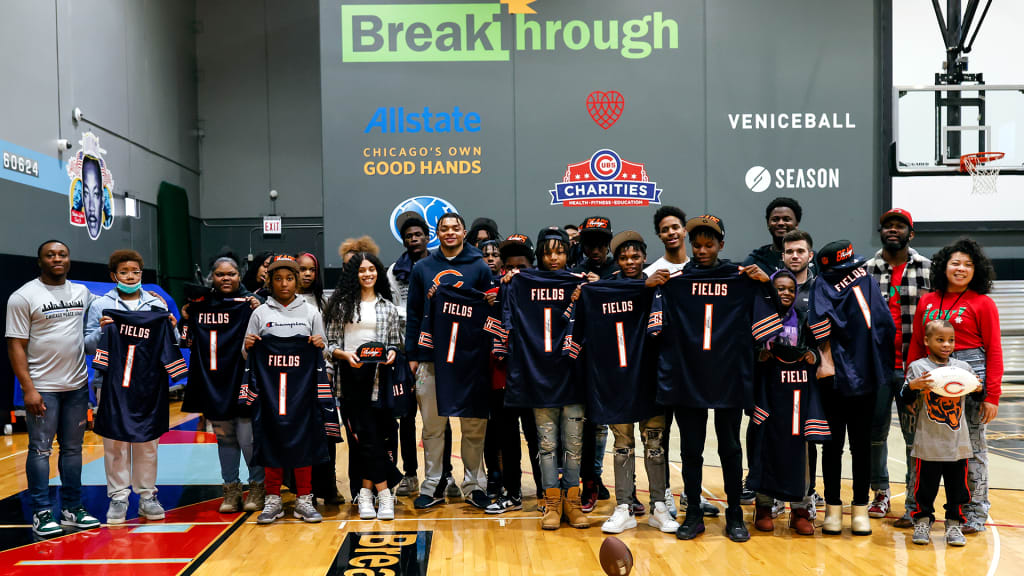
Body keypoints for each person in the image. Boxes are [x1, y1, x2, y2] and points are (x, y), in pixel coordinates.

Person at [653, 215, 774, 543]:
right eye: (697, 244)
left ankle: (735, 511)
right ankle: (693, 512)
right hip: (688, 376)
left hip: (729, 376)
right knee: (691, 450)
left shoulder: (741, 278)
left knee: (731, 448)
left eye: (709, 244)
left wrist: (766, 283)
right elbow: (653, 324)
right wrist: (650, 287)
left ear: (721, 244)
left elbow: (776, 312)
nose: (702, 249)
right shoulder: (675, 280)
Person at [578, 231, 678, 535]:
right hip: (616, 377)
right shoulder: (604, 288)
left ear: (644, 257)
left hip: (649, 376)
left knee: (655, 443)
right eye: (623, 257)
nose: (630, 261)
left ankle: (659, 506)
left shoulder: (659, 285)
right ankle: (624, 507)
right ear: (616, 261)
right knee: (622, 444)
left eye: (635, 256)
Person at [907, 237, 1002, 534]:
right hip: (931, 375)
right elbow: (915, 345)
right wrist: (911, 385)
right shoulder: (928, 300)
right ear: (944, 267)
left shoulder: (982, 303)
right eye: (955, 263)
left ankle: (973, 512)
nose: (961, 269)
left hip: (970, 373)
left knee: (971, 448)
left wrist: (992, 395)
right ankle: (916, 510)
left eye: (968, 265)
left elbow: (995, 349)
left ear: (977, 270)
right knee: (921, 445)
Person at [6, 240, 101, 537]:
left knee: (73, 450)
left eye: (62, 254)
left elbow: (109, 303)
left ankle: (72, 508)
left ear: (69, 259)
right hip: (43, 388)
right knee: (40, 450)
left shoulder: (81, 292)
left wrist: (146, 295)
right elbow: (15, 346)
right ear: (40, 261)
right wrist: (28, 389)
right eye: (50, 255)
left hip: (75, 387)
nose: (57, 259)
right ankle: (41, 512)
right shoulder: (23, 297)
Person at [501, 227, 589, 530]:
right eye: (548, 251)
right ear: (539, 254)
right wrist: (509, 284)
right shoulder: (521, 282)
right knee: (547, 446)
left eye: (560, 251)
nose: (554, 257)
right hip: (539, 377)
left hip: (574, 377)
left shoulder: (581, 283)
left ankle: (573, 502)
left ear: (568, 253)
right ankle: (551, 502)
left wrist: (595, 284)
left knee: (574, 446)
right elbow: (506, 316)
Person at [404, 213, 494, 509]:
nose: (450, 233)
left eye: (456, 228)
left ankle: (473, 483)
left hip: (469, 359)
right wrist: (413, 355)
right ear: (437, 233)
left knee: (473, 425)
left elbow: (489, 309)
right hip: (432, 358)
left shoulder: (479, 266)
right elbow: (414, 315)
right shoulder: (423, 268)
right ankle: (433, 485)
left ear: (464, 232)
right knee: (432, 426)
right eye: (445, 229)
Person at [84, 250, 178, 525]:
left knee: (148, 442)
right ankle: (118, 496)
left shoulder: (156, 306)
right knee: (115, 442)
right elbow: (87, 344)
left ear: (141, 274)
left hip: (148, 383)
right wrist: (103, 331)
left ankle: (147, 496)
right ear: (114, 276)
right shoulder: (101, 305)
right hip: (110, 382)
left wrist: (170, 326)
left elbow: (172, 342)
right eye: (124, 272)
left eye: (135, 272)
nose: (130, 276)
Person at [809, 241, 894, 537]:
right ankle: (832, 507)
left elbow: (883, 324)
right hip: (832, 379)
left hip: (865, 380)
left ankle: (859, 508)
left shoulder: (867, 280)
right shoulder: (820, 284)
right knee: (831, 447)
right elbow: (818, 325)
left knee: (861, 446)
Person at [243, 256, 328, 524]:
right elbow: (247, 356)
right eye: (278, 279)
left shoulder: (311, 313)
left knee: (304, 440)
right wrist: (248, 345)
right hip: (270, 394)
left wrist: (319, 344)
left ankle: (304, 498)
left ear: (296, 281)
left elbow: (323, 354)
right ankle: (273, 500)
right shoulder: (260, 313)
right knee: (270, 440)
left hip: (302, 392)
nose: (283, 284)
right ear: (269, 281)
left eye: (289, 278)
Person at [180, 257, 265, 514]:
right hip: (213, 382)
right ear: (212, 277)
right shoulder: (199, 304)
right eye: (219, 274)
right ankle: (231, 489)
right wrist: (185, 318)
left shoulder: (251, 305)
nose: (225, 278)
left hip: (243, 379)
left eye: (231, 274)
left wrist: (257, 306)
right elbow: (185, 343)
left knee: (248, 438)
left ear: (239, 276)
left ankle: (258, 487)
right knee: (225, 438)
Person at [324, 253, 404, 520]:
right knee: (363, 438)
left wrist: (392, 352)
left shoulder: (388, 307)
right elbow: (329, 345)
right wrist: (345, 355)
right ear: (353, 274)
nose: (367, 274)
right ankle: (384, 492)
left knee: (370, 438)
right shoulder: (340, 306)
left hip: (379, 379)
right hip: (349, 377)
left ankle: (367, 495)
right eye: (362, 270)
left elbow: (394, 342)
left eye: (372, 269)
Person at [864, 208, 931, 525]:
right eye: (887, 226)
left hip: (913, 371)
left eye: (899, 226)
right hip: (875, 369)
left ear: (910, 234)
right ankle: (880, 493)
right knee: (874, 435)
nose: (893, 230)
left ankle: (914, 500)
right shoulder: (865, 271)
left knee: (913, 438)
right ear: (881, 232)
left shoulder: (928, 270)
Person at [387, 212, 459, 500]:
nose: (414, 239)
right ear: (403, 240)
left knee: (442, 414)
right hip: (407, 351)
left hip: (437, 349)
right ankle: (410, 474)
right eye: (408, 236)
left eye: (418, 235)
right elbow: (396, 311)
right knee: (406, 416)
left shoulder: (437, 265)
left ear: (427, 237)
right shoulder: (394, 271)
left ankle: (447, 473)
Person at [749, 270, 824, 536]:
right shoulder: (760, 317)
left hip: (797, 395)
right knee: (764, 449)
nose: (786, 293)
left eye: (791, 289)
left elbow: (817, 348)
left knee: (800, 452)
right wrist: (760, 356)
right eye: (780, 288)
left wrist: (812, 356)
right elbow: (748, 349)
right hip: (769, 394)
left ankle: (801, 509)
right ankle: (765, 506)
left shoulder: (804, 319)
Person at [899, 319, 975, 547]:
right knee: (925, 488)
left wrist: (980, 388)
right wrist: (913, 387)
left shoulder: (962, 369)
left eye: (950, 340)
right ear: (926, 341)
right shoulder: (918, 367)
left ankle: (954, 523)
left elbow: (978, 394)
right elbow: (904, 397)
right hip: (928, 442)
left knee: (957, 489)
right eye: (940, 339)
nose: (946, 344)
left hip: (957, 443)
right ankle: (922, 520)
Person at [485, 233, 543, 514]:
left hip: (534, 380)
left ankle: (546, 493)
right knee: (507, 438)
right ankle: (513, 492)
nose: (515, 272)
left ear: (533, 268)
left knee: (537, 436)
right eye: (509, 267)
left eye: (522, 266)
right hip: (502, 378)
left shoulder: (542, 294)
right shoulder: (493, 295)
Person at [572, 216, 618, 512]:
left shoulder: (619, 272)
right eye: (590, 242)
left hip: (618, 358)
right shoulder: (573, 273)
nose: (596, 248)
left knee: (618, 426)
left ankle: (609, 480)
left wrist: (604, 288)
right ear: (582, 244)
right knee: (589, 426)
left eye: (601, 242)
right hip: (586, 359)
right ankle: (589, 480)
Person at [781, 229, 823, 507]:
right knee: (778, 434)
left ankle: (807, 492)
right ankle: (775, 493)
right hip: (778, 375)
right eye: (789, 252)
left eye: (800, 251)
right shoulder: (774, 287)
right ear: (782, 256)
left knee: (808, 436)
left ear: (810, 255)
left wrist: (816, 356)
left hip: (811, 377)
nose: (795, 256)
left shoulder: (821, 288)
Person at [744, 196, 805, 275]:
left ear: (796, 224)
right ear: (768, 224)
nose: (780, 223)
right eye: (775, 219)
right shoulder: (754, 261)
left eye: (786, 219)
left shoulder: (811, 260)